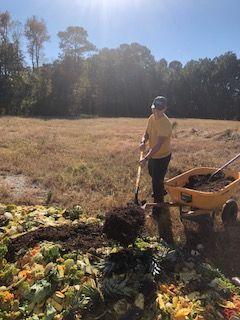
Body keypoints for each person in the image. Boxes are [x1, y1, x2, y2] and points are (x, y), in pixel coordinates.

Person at [139, 96, 172, 210]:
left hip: (162, 156)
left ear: (165, 109)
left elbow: (158, 145)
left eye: (159, 109)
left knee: (156, 181)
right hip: (153, 154)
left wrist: (146, 158)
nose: (156, 112)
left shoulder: (166, 124)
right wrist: (143, 141)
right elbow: (146, 133)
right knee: (152, 173)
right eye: (155, 109)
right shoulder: (151, 118)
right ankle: (161, 189)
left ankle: (158, 209)